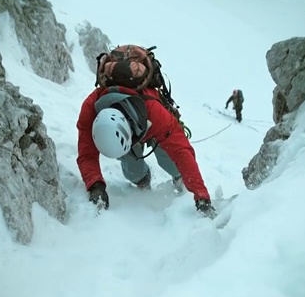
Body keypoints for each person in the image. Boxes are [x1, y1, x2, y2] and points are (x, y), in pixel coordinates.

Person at [76, 85, 216, 218]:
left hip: (152, 124)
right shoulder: (90, 111)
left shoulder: (155, 112)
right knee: (133, 173)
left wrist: (201, 195)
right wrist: (96, 185)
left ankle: (180, 178)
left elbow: (181, 151)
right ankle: (143, 181)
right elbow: (87, 154)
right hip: (132, 127)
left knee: (171, 164)